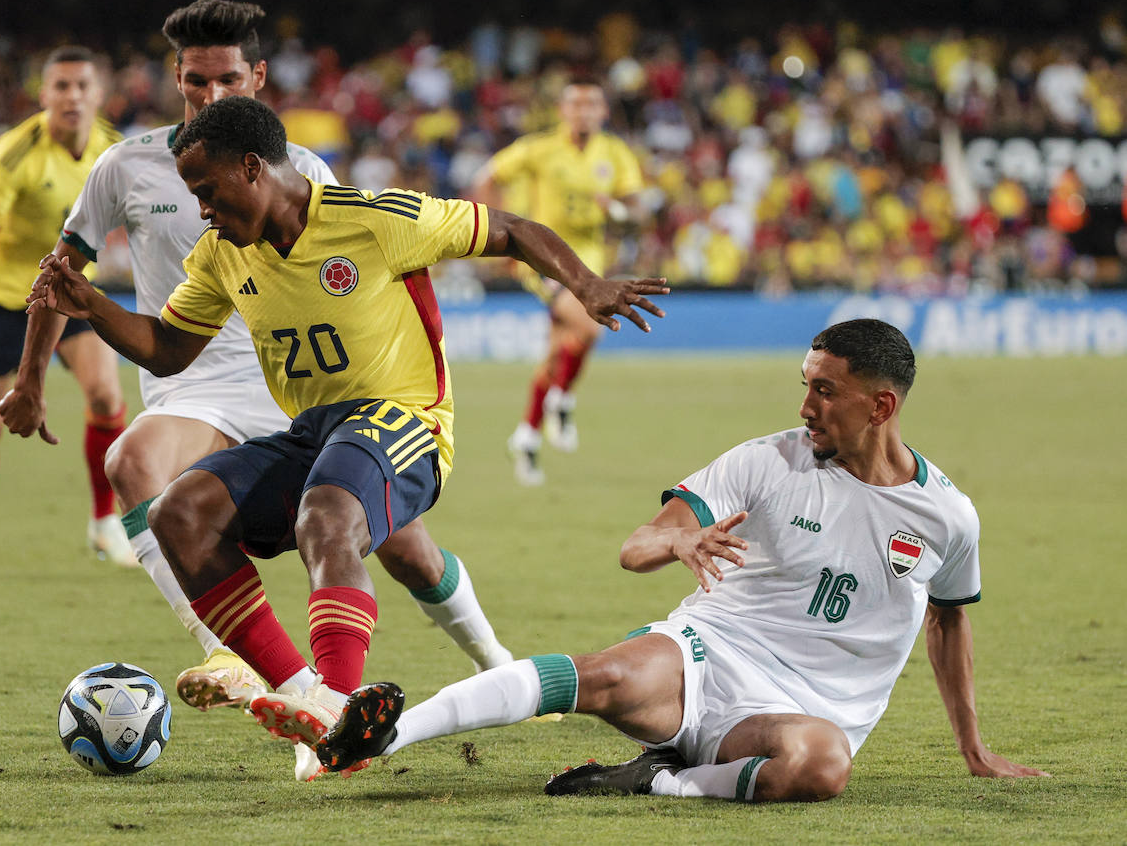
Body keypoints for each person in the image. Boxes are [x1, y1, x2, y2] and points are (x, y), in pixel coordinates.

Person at [24, 95, 667, 770]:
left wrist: (586, 285)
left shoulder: (372, 219)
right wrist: (93, 305)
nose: (201, 210)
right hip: (313, 429)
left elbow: (507, 228)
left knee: (326, 517)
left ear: (251, 169)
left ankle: (337, 699)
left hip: (405, 419)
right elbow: (167, 348)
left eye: (206, 191)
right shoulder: (222, 256)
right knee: (178, 514)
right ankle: (318, 707)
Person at [0, 0, 519, 780]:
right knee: (136, 468)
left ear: (258, 76)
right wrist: (31, 378)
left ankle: (492, 659)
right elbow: (60, 273)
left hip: (297, 390)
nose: (211, 97)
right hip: (191, 383)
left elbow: (363, 265)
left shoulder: (302, 169)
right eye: (196, 83)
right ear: (176, 77)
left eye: (228, 80)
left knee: (395, 545)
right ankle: (234, 657)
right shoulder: (127, 164)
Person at [315, 318, 1048, 801]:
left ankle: (659, 782)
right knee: (602, 673)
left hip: (809, 714)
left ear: (881, 407)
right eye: (805, 386)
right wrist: (677, 539)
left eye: (825, 391)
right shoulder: (766, 463)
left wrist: (974, 747)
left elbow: (948, 622)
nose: (805, 407)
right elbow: (638, 547)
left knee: (822, 768)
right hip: (708, 653)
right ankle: (381, 737)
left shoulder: (946, 517)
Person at [0, 46, 130, 581]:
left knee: (107, 396)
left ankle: (105, 522)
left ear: (99, 94)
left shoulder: (113, 150)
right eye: (61, 86)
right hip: (10, 300)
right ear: (44, 96)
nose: (72, 96)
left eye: (83, 85)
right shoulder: (14, 154)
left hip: (75, 294)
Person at [470, 79, 646, 486]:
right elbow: (486, 177)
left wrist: (616, 209)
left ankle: (527, 435)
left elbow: (637, 208)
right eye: (576, 105)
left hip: (590, 262)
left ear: (603, 112)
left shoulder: (615, 153)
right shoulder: (539, 149)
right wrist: (496, 231)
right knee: (591, 323)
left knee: (559, 351)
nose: (583, 112)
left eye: (592, 105)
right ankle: (562, 399)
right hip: (543, 259)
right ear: (563, 111)